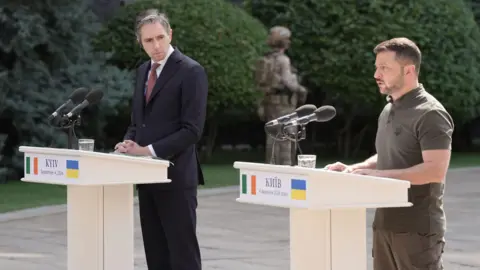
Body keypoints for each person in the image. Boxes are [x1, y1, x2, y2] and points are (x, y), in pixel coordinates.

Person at [325, 37, 454, 270]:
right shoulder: (388, 109)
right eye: (376, 67)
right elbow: (388, 154)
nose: (376, 74)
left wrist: (377, 177)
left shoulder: (430, 113)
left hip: (417, 229)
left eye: (384, 68)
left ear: (409, 70)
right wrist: (354, 169)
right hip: (384, 225)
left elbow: (435, 170)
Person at [114, 9, 207, 270]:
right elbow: (138, 121)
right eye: (148, 41)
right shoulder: (143, 70)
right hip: (146, 179)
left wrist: (147, 151)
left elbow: (192, 130)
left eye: (160, 37)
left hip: (176, 178)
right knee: (155, 255)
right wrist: (128, 142)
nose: (156, 46)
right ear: (139, 42)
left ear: (170, 35)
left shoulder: (191, 71)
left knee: (182, 255)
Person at [254, 26, 307, 165]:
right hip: (284, 105)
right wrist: (301, 90)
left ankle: (272, 168)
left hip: (270, 104)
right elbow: (288, 82)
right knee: (287, 139)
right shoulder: (283, 60)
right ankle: (286, 169)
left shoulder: (267, 59)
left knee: (272, 138)